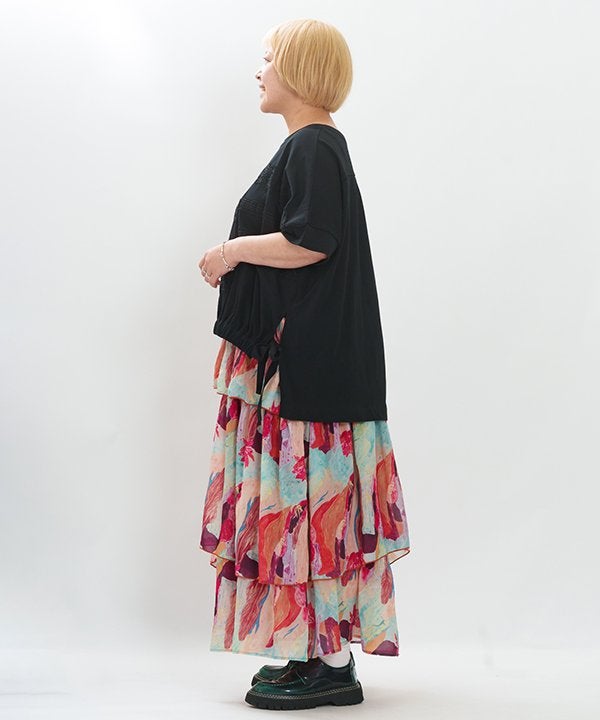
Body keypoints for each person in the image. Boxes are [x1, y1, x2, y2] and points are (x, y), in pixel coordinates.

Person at [198, 18, 411, 710]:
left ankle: (328, 664)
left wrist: (231, 252)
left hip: (307, 375)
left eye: (268, 59)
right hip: (307, 370)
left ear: (297, 69)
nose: (259, 71)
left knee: (307, 511)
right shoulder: (313, 146)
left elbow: (310, 240)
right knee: (308, 512)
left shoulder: (314, 145)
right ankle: (317, 655)